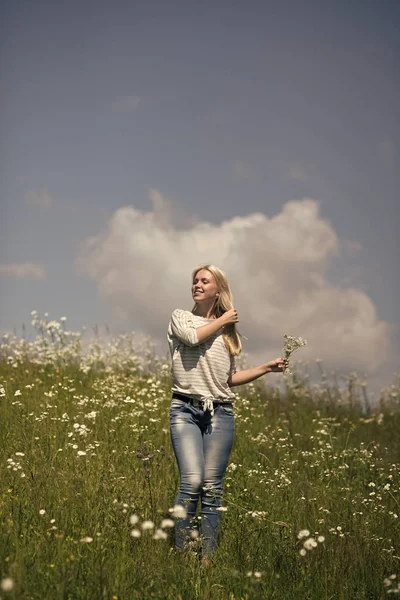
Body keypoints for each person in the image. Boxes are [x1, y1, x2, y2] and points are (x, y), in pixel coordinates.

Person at [167, 264, 286, 564]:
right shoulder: (181, 318)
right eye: (194, 280)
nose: (197, 284)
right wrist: (222, 319)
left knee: (212, 486)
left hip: (220, 412)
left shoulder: (228, 334)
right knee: (192, 482)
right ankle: (181, 554)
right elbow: (194, 338)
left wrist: (265, 369)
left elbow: (227, 379)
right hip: (185, 409)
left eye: (204, 281)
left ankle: (207, 558)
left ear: (217, 290)